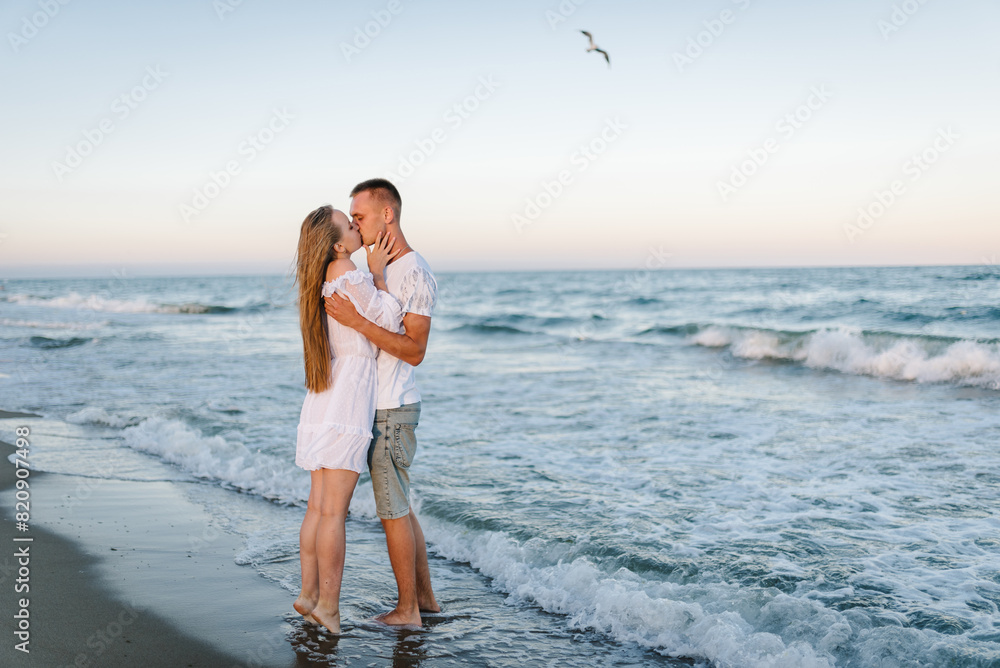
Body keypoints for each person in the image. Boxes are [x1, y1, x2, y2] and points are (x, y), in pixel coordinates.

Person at [325, 178, 440, 627]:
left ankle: (407, 609)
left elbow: (414, 349)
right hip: (378, 406)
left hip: (392, 408)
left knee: (392, 510)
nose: (355, 224)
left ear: (387, 215)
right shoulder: (382, 266)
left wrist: (355, 318)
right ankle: (425, 601)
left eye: (360, 216)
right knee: (400, 506)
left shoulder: (413, 271)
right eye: (351, 219)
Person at [292, 204, 403, 634]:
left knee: (318, 507)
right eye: (349, 223)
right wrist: (377, 275)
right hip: (348, 396)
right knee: (333, 512)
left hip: (325, 394)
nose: (358, 227)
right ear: (338, 244)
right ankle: (329, 608)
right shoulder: (348, 271)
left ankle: (310, 595)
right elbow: (390, 319)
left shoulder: (323, 276)